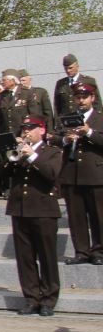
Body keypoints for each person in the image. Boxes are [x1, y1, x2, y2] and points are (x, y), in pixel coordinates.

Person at [6, 117, 63, 316]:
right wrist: (10, 158)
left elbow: (52, 174)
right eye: (24, 129)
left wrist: (32, 156)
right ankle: (31, 298)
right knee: (25, 258)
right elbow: (0, 175)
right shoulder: (20, 152)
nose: (26, 132)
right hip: (20, 209)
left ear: (42, 130)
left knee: (47, 256)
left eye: (31, 129)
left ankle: (48, 299)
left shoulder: (51, 152)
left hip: (43, 210)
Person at [55, 83, 103, 266]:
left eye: (85, 97)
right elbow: (55, 138)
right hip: (72, 173)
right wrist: (66, 139)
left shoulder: (100, 118)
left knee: (98, 215)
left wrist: (89, 132)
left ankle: (99, 251)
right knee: (76, 216)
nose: (81, 100)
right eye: (78, 97)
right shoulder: (68, 118)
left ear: (93, 98)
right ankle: (81, 251)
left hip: (95, 173)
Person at [53, 53, 97, 126]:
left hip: (86, 121)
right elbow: (57, 106)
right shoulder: (60, 84)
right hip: (67, 122)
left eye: (70, 68)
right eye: (65, 68)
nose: (68, 71)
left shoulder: (89, 81)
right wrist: (58, 123)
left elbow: (97, 103)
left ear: (77, 66)